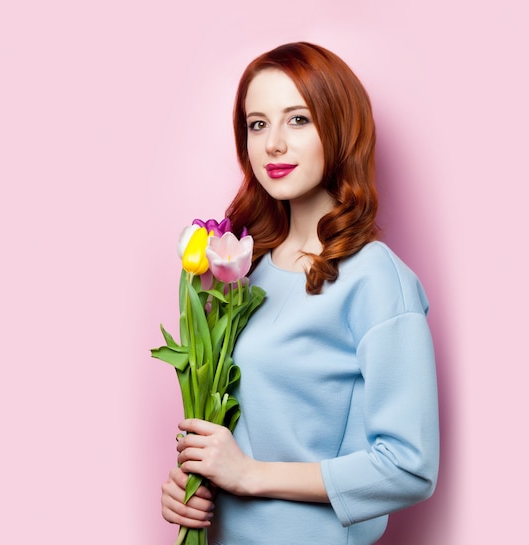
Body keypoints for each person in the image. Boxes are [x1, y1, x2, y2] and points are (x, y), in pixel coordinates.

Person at [160, 41, 439, 545]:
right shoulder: (243, 270)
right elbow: (238, 427)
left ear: (339, 127)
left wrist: (249, 475)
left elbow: (409, 465)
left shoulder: (376, 279)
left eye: (298, 120)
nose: (273, 145)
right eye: (257, 124)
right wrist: (193, 485)